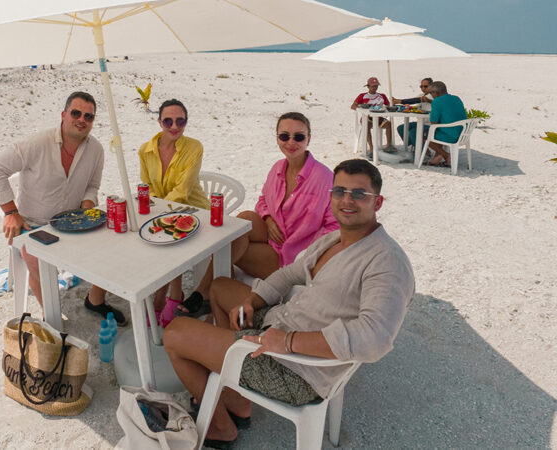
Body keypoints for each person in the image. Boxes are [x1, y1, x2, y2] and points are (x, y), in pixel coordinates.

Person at [164, 159, 415, 448]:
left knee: (174, 334)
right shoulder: (336, 239)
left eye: (359, 194)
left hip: (298, 370)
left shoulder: (386, 261)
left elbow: (374, 339)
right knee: (220, 288)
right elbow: (292, 272)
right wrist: (252, 300)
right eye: (339, 191)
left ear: (378, 202)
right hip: (284, 324)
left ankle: (221, 428)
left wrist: (287, 342)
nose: (347, 200)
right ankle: (238, 401)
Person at [176, 112, 338, 319]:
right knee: (245, 218)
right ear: (277, 138)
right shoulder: (278, 168)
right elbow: (262, 200)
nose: (291, 142)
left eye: (299, 137)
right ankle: (214, 288)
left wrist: (305, 248)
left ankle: (203, 292)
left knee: (228, 245)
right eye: (284, 136)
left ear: (309, 139)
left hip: (292, 255)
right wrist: (268, 218)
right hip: (272, 237)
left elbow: (334, 226)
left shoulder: (324, 178)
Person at [0, 91, 126, 326]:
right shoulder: (37, 144)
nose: (82, 119)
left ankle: (95, 299)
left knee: (114, 242)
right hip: (33, 222)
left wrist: (87, 210)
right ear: (63, 115)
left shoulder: (97, 150)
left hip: (72, 221)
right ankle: (50, 313)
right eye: (76, 113)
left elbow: (92, 186)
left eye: (89, 117)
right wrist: (11, 212)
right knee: (34, 258)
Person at [138, 99, 210, 327]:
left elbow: (183, 190)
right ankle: (173, 293)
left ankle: (162, 297)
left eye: (180, 120)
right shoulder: (145, 150)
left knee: (168, 241)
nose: (174, 126)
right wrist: (153, 211)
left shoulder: (194, 147)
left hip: (196, 212)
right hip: (163, 211)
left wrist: (158, 215)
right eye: (168, 120)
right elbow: (146, 185)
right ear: (159, 122)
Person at [424, 81, 467, 167]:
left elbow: (433, 122)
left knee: (423, 133)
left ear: (436, 92)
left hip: (451, 136)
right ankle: (437, 157)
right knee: (438, 130)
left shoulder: (436, 101)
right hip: (463, 134)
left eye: (431, 93)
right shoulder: (456, 98)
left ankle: (446, 155)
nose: (431, 95)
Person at [350, 76, 394, 153]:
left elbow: (388, 106)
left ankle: (388, 145)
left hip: (379, 118)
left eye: (376, 86)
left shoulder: (382, 96)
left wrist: (386, 107)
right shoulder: (362, 96)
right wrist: (361, 106)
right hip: (367, 118)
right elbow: (353, 106)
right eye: (373, 86)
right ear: (368, 86)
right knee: (366, 125)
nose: (375, 88)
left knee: (388, 124)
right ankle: (371, 147)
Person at [393, 77, 434, 148]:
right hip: (421, 122)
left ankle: (422, 152)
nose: (423, 88)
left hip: (431, 124)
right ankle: (413, 146)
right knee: (401, 128)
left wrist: (400, 101)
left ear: (432, 86)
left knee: (413, 132)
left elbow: (416, 100)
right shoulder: (421, 95)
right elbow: (416, 105)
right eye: (421, 86)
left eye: (425, 86)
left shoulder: (433, 96)